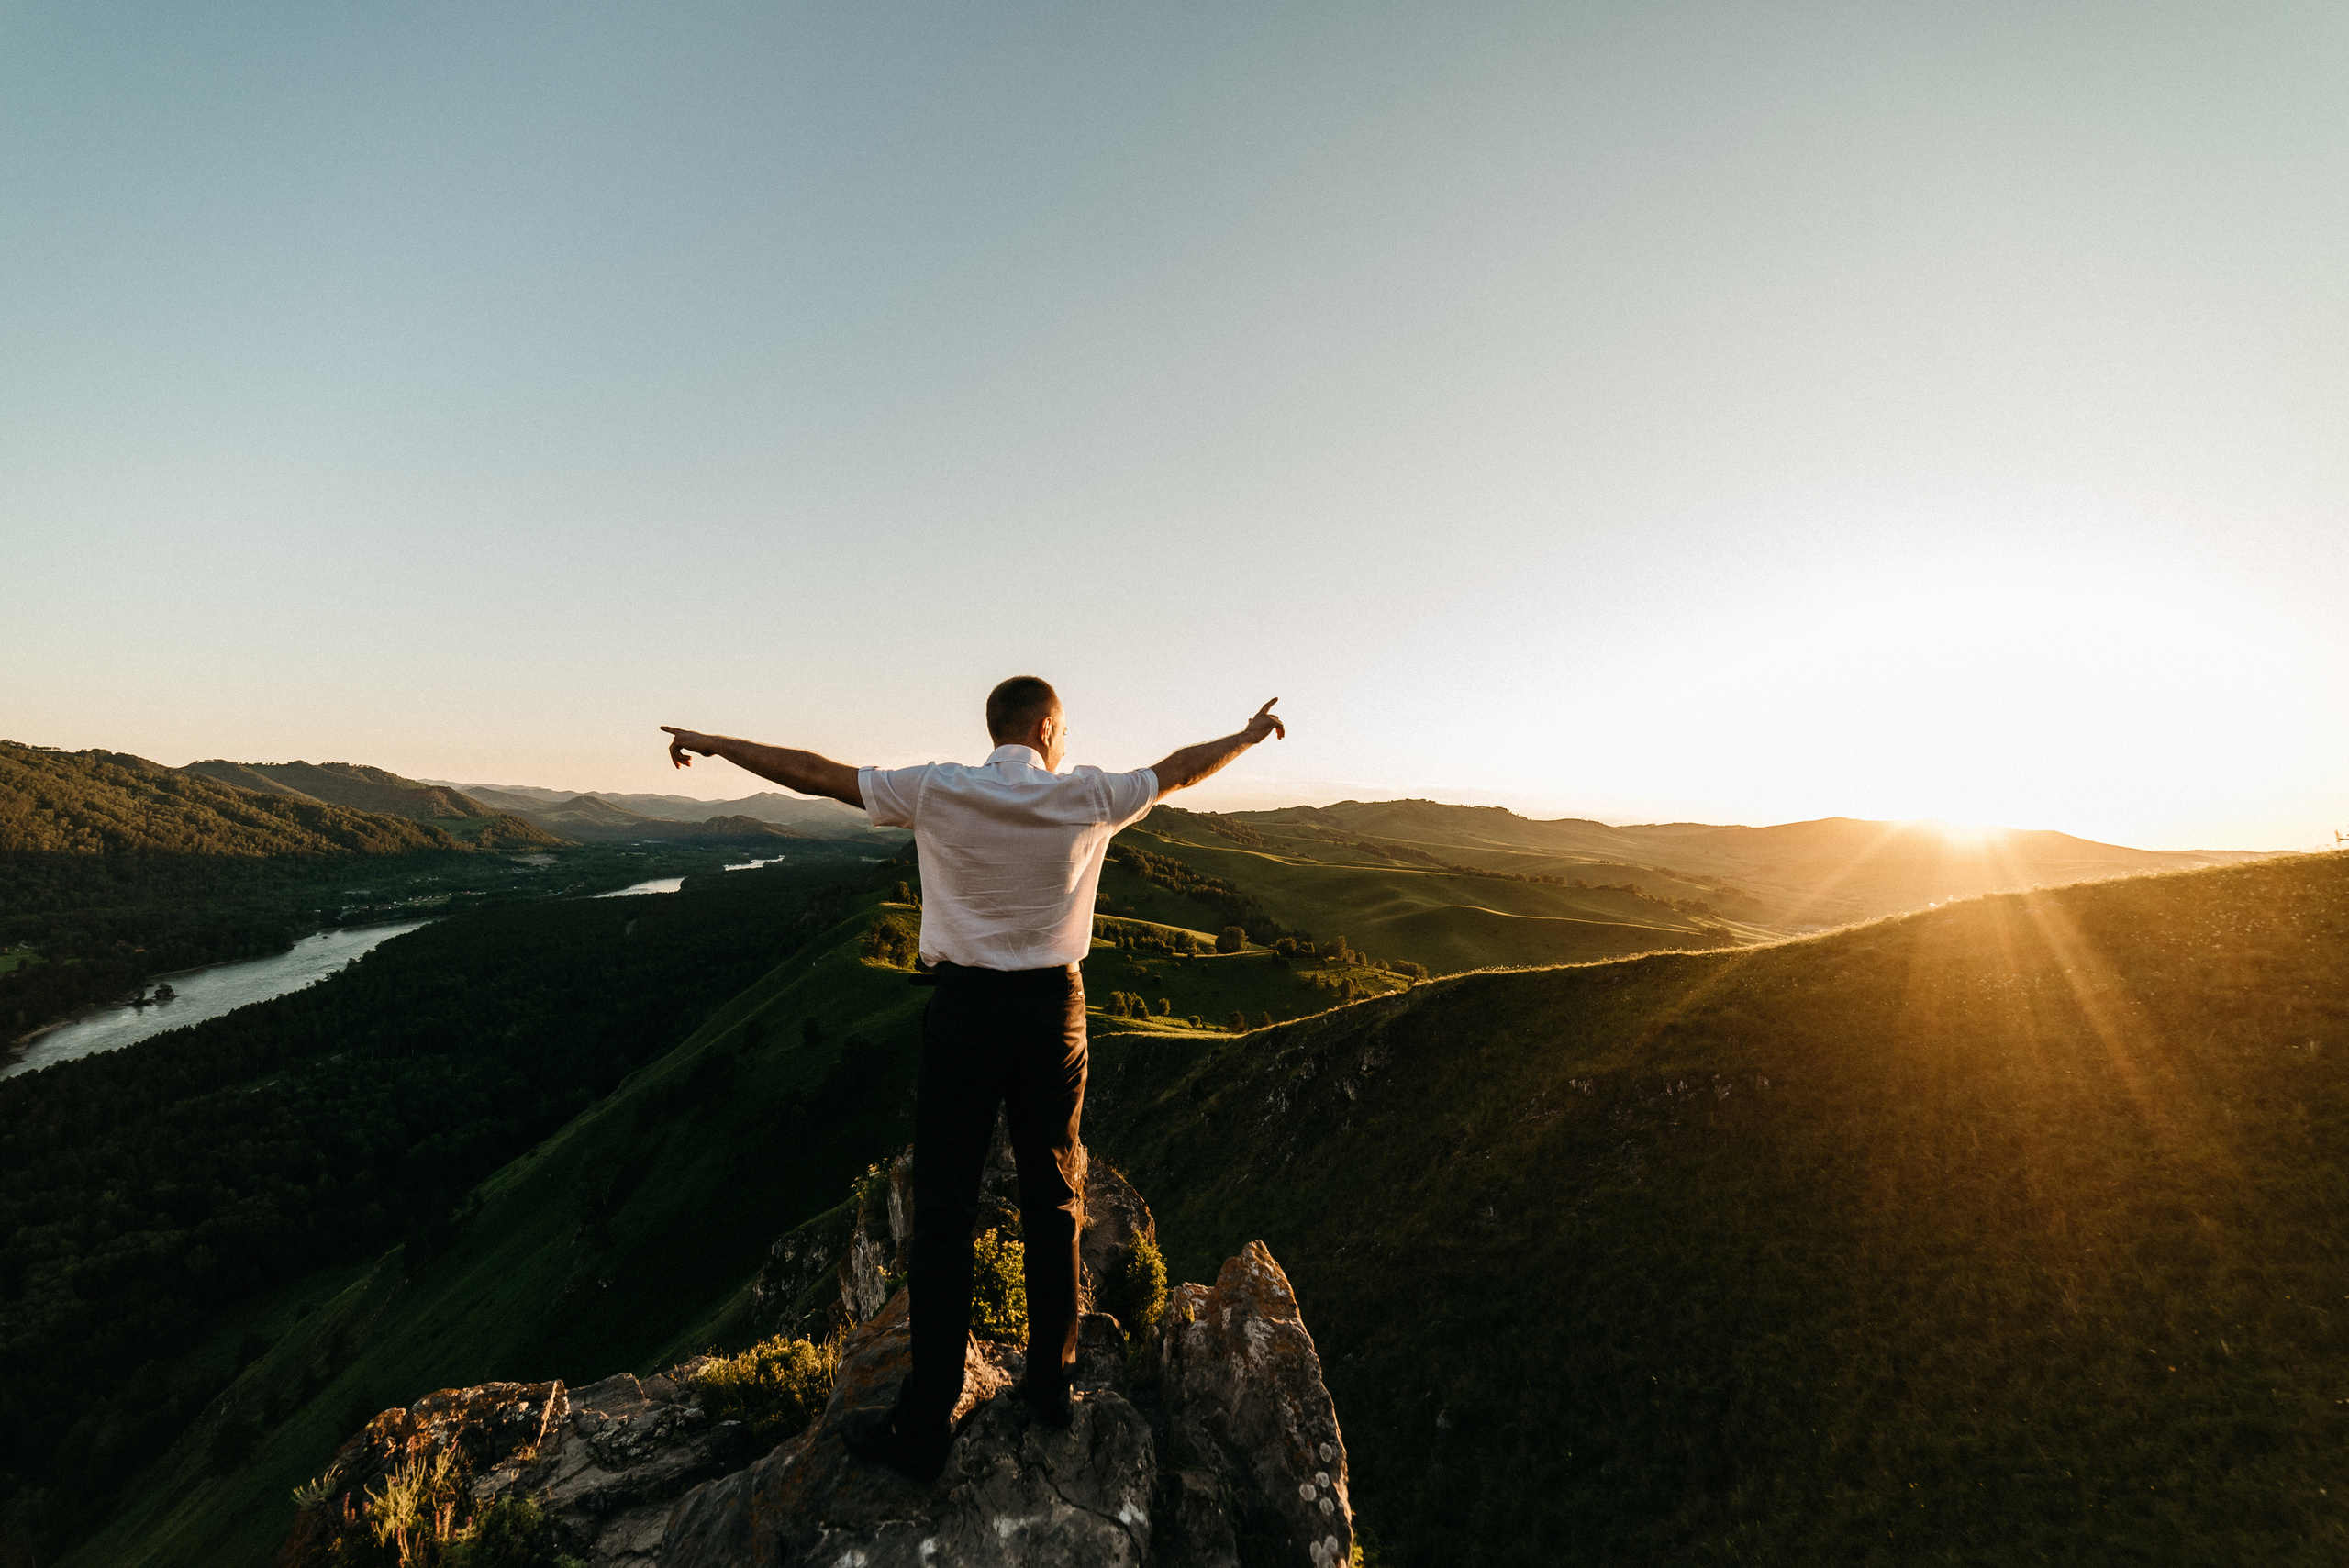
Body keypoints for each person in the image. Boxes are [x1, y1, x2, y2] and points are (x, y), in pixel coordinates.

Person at [657, 679, 1285, 1480]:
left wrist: (718, 743)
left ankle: (926, 1417)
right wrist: (1246, 734)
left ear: (998, 730)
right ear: (1048, 727)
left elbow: (815, 772)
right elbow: (1181, 769)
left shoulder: (939, 788)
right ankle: (1051, 1387)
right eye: (1064, 729)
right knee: (1054, 1196)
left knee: (944, 1211)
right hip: (1053, 1012)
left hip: (962, 1013)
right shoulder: (1089, 794)